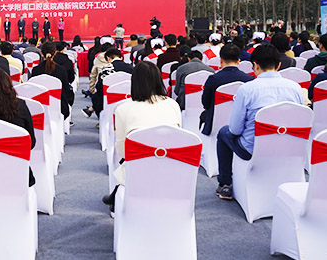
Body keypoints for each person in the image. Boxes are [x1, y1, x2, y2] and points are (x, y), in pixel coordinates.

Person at [215, 45, 303, 200]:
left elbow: (235, 130)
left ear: (255, 65)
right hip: (289, 146)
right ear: (279, 65)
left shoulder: (247, 89)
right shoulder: (295, 88)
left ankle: (225, 184)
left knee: (224, 133)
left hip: (253, 149)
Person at [101, 61, 182, 213]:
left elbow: (123, 151)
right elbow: (179, 139)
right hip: (173, 168)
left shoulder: (123, 109)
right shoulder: (173, 105)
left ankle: (117, 195)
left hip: (138, 172)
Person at [199, 44, 254, 136]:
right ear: (238, 60)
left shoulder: (213, 79)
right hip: (243, 125)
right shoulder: (249, 79)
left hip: (215, 122)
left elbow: (206, 103)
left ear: (220, 60)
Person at [32, 41, 73, 120]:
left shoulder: (35, 70)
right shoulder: (61, 70)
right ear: (55, 53)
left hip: (39, 109)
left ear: (41, 53)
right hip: (60, 108)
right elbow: (66, 90)